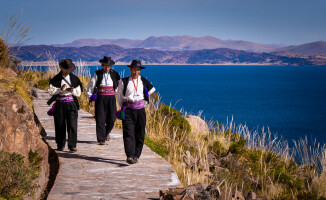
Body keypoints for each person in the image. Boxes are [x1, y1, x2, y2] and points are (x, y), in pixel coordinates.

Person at [116, 60, 155, 164]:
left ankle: (136, 156)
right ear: (130, 69)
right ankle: (129, 155)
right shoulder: (123, 81)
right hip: (128, 110)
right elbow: (119, 97)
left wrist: (145, 104)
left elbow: (149, 93)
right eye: (134, 69)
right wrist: (125, 106)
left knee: (140, 133)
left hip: (140, 111)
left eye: (138, 70)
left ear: (140, 71)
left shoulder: (143, 81)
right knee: (128, 133)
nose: (136, 72)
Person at [48, 59, 83, 152]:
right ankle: (60, 144)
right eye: (65, 70)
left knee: (72, 125)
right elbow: (51, 91)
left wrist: (72, 91)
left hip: (71, 103)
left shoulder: (75, 79)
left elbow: (78, 93)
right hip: (59, 104)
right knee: (59, 124)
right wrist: (60, 89)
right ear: (62, 69)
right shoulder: (55, 79)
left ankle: (72, 145)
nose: (67, 72)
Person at [86, 56, 121, 145]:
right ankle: (101, 139)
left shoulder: (115, 74)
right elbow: (91, 85)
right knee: (100, 118)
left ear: (110, 66)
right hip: (100, 98)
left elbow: (119, 86)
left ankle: (105, 134)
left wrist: (119, 95)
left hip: (111, 98)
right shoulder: (97, 73)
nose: (107, 67)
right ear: (102, 65)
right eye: (105, 65)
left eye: (108, 66)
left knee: (112, 118)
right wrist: (90, 97)